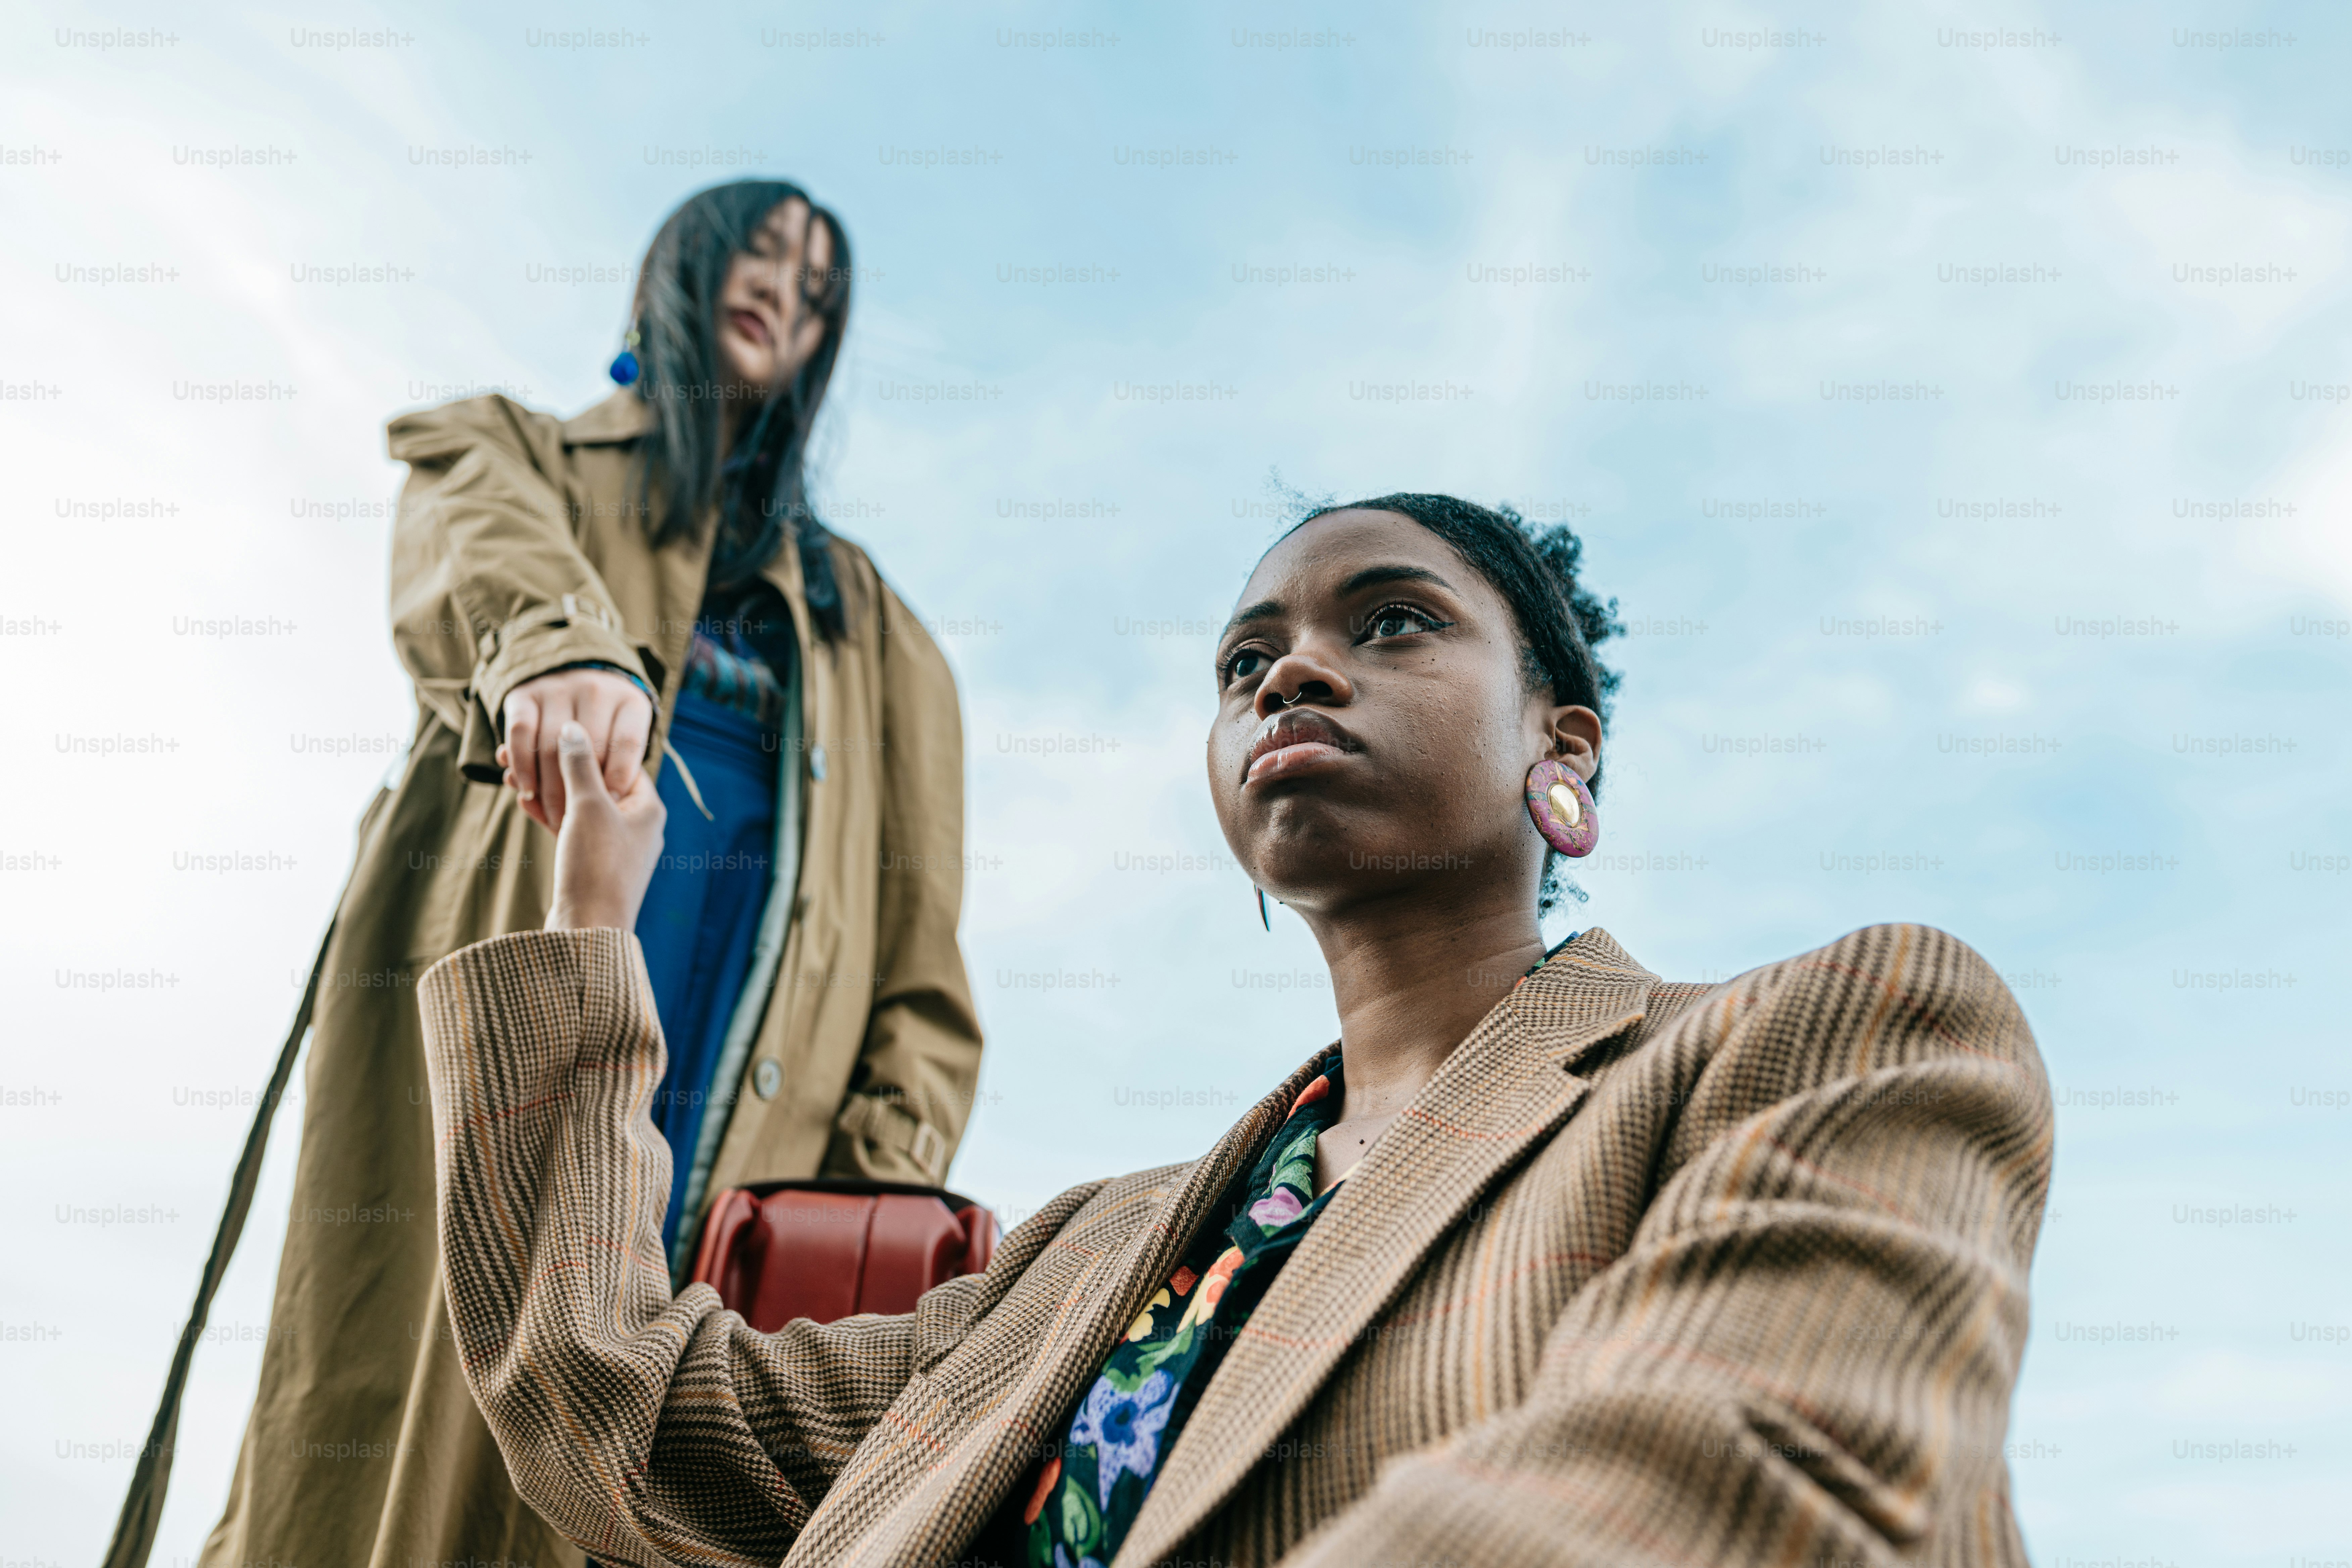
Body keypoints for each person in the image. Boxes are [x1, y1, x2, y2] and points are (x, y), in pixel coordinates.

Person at [419, 496, 2053, 1567]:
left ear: (1564, 747)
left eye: (1393, 622)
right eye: (1246, 661)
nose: (1293, 677)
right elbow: (615, 1410)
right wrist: (590, 923)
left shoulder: (1830, 1041)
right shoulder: (1093, 1265)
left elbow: (1734, 1490)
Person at [199, 181, 983, 1568]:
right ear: (673, 274)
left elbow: (922, 979)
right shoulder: (517, 458)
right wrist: (559, 652)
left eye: (818, 287)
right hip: (502, 1058)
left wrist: (853, 1208)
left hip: (745, 1144)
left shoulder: (886, 637)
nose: (784, 291)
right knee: (414, 1437)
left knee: (645, 1468)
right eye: (758, 251)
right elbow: (478, 552)